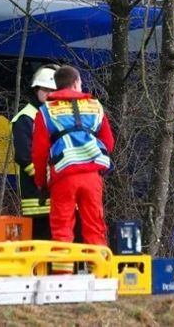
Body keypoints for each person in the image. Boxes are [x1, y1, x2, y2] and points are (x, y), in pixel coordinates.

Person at [32, 66, 115, 261]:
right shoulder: (95, 107)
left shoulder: (46, 112)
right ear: (77, 83)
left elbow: (39, 153)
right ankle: (98, 277)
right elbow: (109, 143)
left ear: (56, 86)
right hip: (92, 177)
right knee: (95, 228)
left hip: (63, 176)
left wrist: (42, 183)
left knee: (62, 231)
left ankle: (63, 281)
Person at [11, 65, 59, 239]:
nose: (49, 94)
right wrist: (46, 181)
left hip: (58, 195)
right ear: (36, 90)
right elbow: (24, 157)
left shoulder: (55, 115)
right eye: (45, 90)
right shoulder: (26, 118)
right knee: (41, 245)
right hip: (37, 198)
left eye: (53, 90)